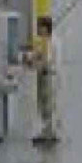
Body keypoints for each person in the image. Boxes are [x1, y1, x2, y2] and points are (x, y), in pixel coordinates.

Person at [27, 16, 61, 146]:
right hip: (44, 75)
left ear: (45, 28)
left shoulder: (51, 42)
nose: (38, 30)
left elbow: (46, 61)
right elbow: (39, 54)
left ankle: (50, 133)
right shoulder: (45, 41)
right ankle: (46, 131)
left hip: (49, 76)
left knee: (48, 104)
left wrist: (33, 65)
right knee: (43, 103)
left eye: (40, 27)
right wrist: (31, 58)